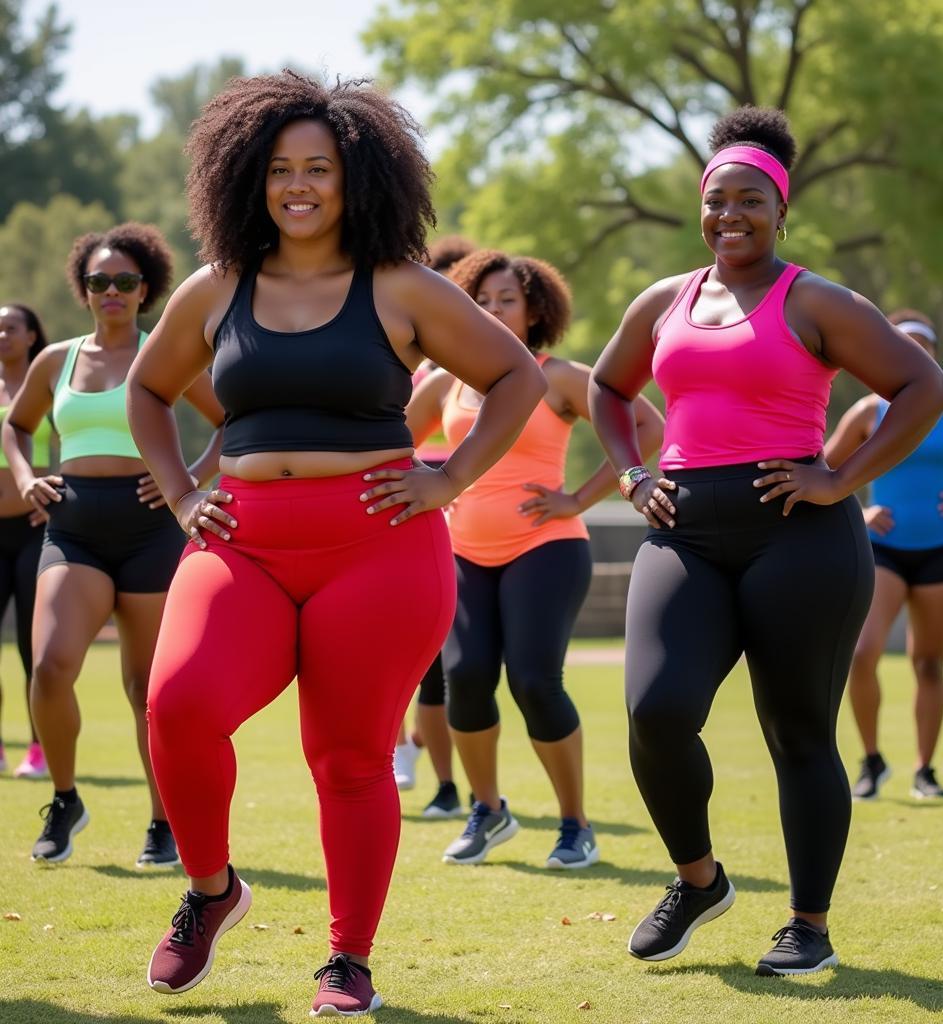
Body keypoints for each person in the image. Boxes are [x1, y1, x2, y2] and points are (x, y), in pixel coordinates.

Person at [127, 72, 545, 1017]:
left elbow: (514, 377)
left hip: (380, 544)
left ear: (358, 177)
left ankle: (347, 959)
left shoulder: (400, 285)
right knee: (178, 707)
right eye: (280, 169)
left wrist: (449, 478)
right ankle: (210, 891)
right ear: (249, 179)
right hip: (243, 542)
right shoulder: (218, 286)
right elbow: (148, 392)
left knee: (350, 757)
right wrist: (186, 490)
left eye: (320, 167)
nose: (299, 185)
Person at [588, 106, 943, 976]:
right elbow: (606, 388)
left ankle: (808, 927)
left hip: (799, 532)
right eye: (717, 201)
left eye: (750, 200)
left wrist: (840, 477)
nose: (731, 217)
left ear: (780, 210)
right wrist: (633, 475)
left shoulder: (818, 300)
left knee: (798, 733)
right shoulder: (663, 301)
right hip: (685, 531)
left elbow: (924, 387)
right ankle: (699, 880)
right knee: (656, 710)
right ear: (701, 207)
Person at [407, 248, 663, 869]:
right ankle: (487, 810)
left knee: (532, 680)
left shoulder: (561, 376)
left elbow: (648, 428)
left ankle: (575, 824)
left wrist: (578, 496)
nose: (493, 309)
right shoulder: (444, 382)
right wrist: (424, 494)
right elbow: (388, 444)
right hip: (464, 551)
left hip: (545, 549)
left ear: (535, 311)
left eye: (508, 300)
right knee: (464, 678)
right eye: (483, 300)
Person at [2, 224, 224, 869]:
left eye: (125, 282)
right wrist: (24, 477)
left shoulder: (166, 352)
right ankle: (65, 798)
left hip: (150, 529)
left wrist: (189, 481)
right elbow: (16, 428)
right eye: (99, 281)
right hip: (74, 529)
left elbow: (229, 419)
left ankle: (163, 821)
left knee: (145, 689)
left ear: (146, 289)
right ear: (85, 290)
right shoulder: (57, 361)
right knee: (49, 666)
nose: (112, 292)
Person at [826, 310, 943, 801]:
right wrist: (859, 510)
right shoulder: (866, 412)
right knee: (861, 654)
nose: (916, 352)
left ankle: (926, 771)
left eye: (925, 346)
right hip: (882, 550)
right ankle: (872, 762)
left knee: (928, 663)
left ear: (935, 355)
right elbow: (822, 469)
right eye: (905, 344)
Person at [393, 234, 478, 818]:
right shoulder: (412, 360)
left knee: (453, 667)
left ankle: (453, 777)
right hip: (406, 518)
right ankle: (410, 750)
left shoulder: (472, 356)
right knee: (411, 656)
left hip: (461, 523)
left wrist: (448, 482)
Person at [0, 304, 51, 779]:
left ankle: (39, 749)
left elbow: (71, 446)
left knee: (33, 650)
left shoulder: (51, 385)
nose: (2, 335)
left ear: (32, 335)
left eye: (11, 328)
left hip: (37, 531)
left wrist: (56, 491)